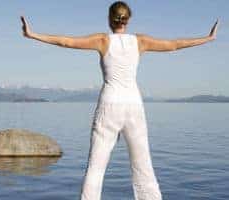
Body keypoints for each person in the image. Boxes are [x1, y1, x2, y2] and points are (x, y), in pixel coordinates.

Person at [20, 1, 218, 199]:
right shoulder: (140, 41)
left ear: (109, 19)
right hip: (134, 105)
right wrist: (208, 39)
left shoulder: (102, 40)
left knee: (96, 167)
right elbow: (175, 45)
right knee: (143, 165)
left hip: (110, 104)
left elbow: (66, 41)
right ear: (128, 19)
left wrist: (33, 34)